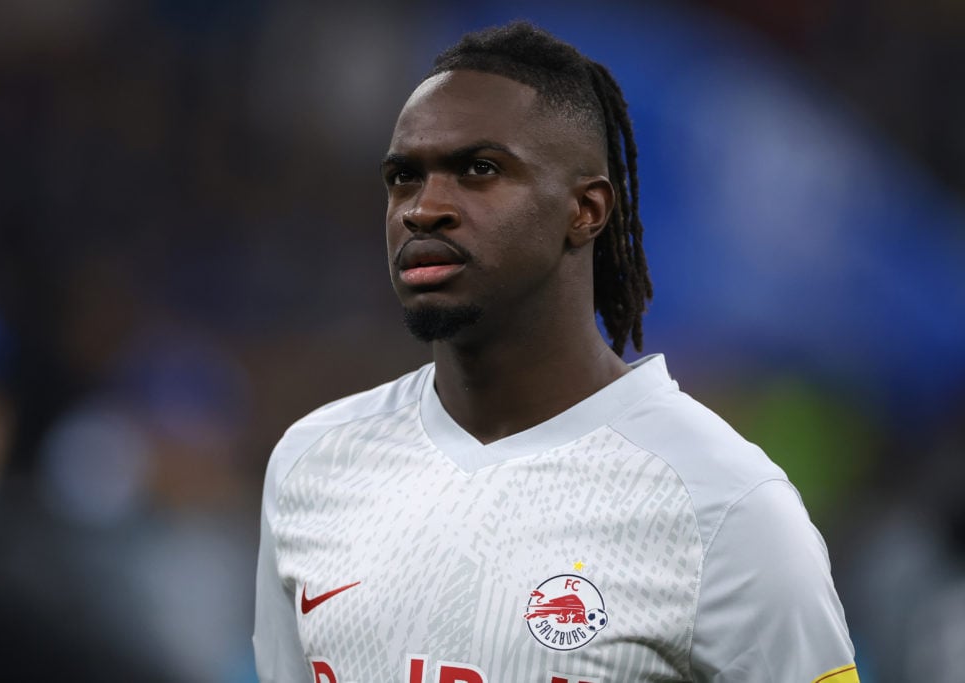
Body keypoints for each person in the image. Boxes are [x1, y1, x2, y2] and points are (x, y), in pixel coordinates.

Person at [253, 21, 859, 683]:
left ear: (586, 209)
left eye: (479, 170)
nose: (423, 209)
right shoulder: (313, 464)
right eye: (403, 177)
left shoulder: (725, 505)